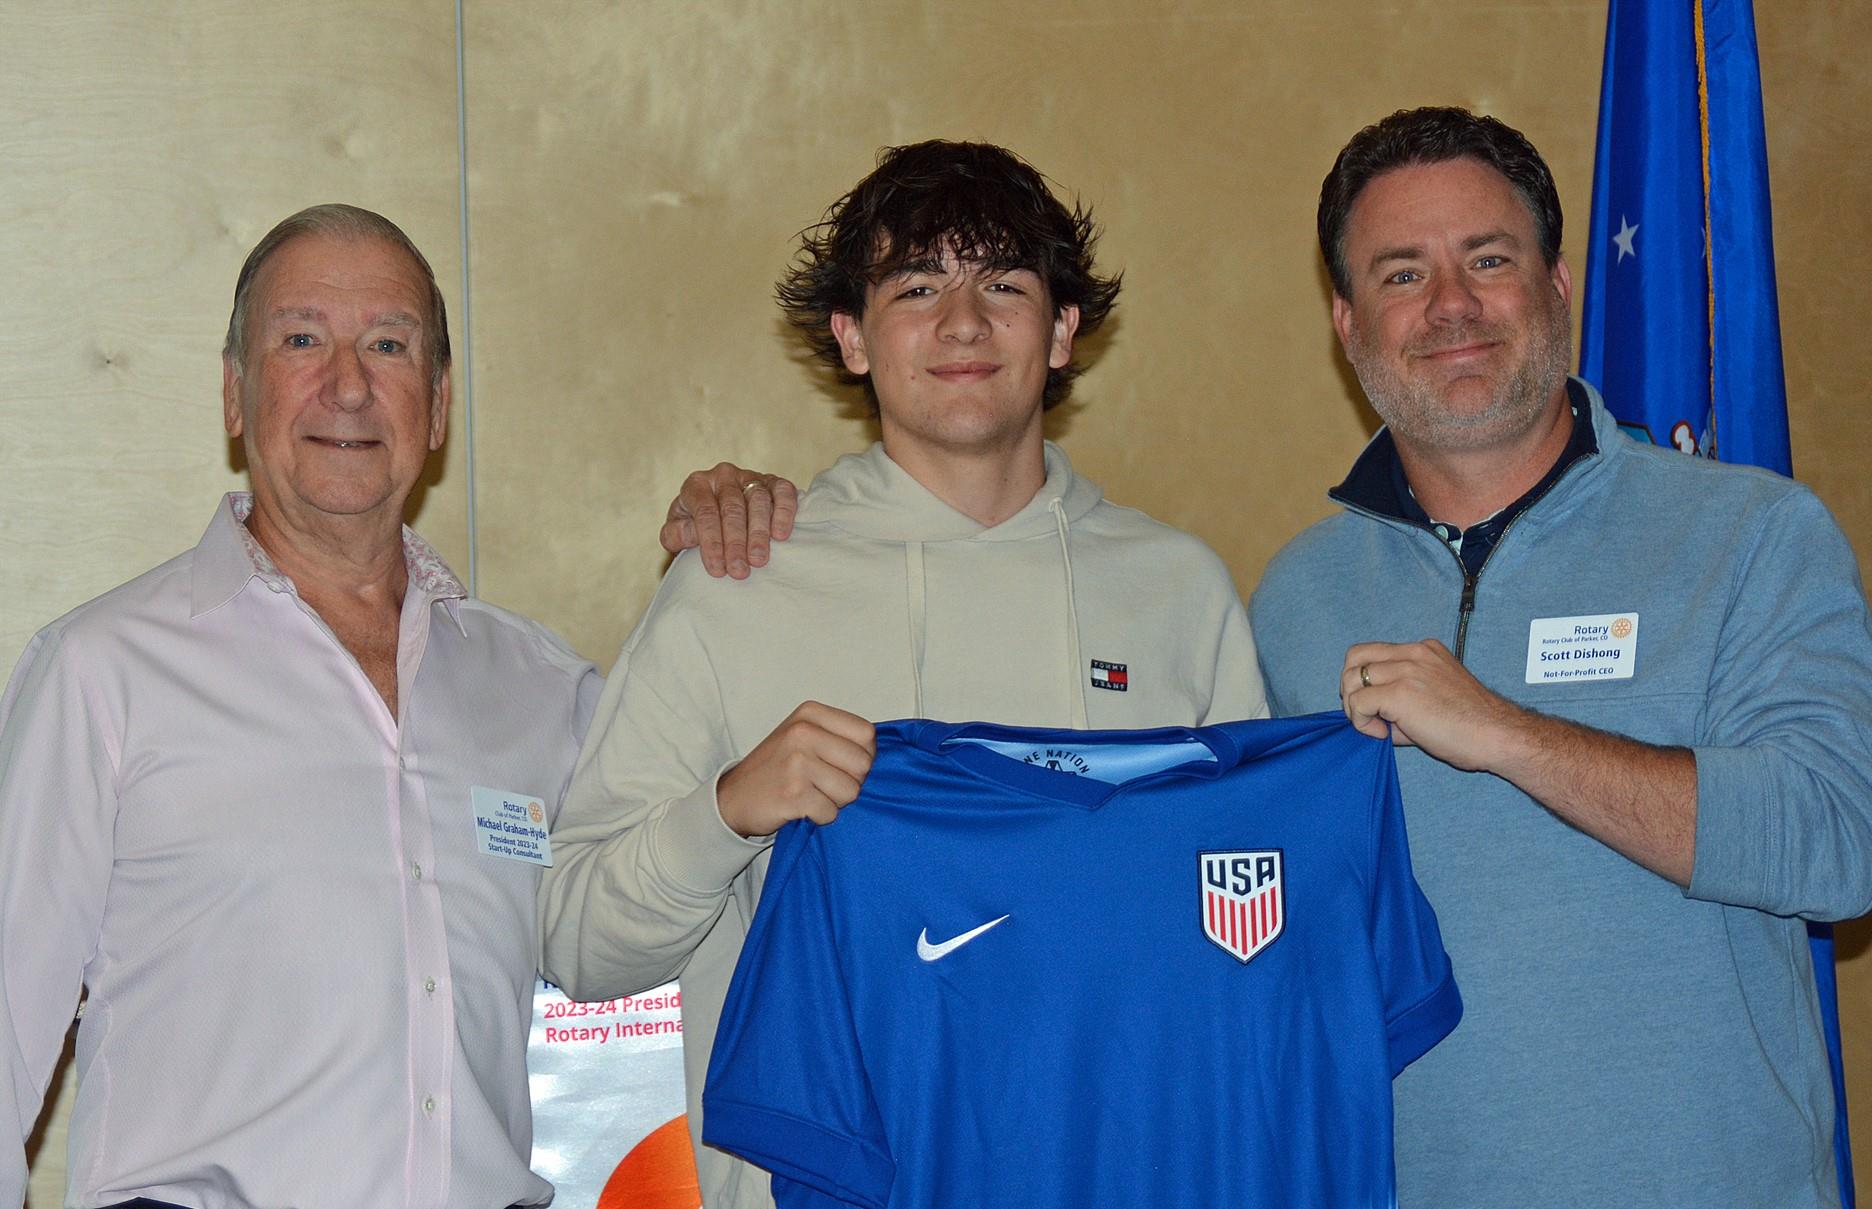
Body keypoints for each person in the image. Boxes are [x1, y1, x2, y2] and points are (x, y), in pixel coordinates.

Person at [539, 140, 1268, 1209]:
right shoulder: (737, 582)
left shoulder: (1179, 592)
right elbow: (575, 942)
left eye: (1004, 286)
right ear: (851, 336)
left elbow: (1253, 926)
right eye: (917, 288)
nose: (963, 323)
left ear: (1063, 331)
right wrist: (727, 813)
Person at [1250, 107, 1872, 1207]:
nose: (1451, 304)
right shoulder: (1296, 597)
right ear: (1347, 324)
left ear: (1559, 283)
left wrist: (1504, 733)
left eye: (1489, 259)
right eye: (1403, 274)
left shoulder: (1753, 535)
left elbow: (1836, 847)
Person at [0, 205, 602, 1208]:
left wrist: (737, 556)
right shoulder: (101, 674)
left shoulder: (546, 691)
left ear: (438, 406)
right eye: (302, 340)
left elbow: (672, 899)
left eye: (389, 345)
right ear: (235, 393)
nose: (350, 384)